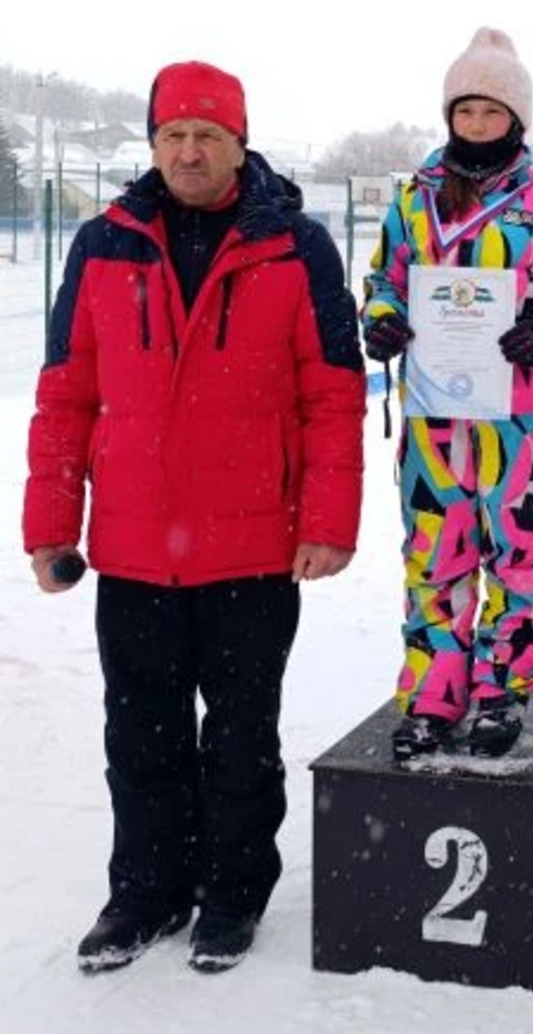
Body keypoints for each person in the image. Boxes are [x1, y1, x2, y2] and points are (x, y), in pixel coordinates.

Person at [23, 60, 366, 974]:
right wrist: (52, 524)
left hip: (252, 545)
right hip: (133, 546)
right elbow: (65, 394)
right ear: (153, 144)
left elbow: (333, 394)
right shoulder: (103, 244)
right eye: (172, 134)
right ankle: (145, 891)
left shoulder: (297, 247)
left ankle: (232, 888)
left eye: (206, 135)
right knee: (139, 732)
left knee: (242, 733)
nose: (188, 151)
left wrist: (327, 521)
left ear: (239, 144)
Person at [361, 27, 533, 762]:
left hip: (515, 422)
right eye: (464, 112)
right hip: (433, 422)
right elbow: (385, 280)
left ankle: (504, 686)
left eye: (491, 113)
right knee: (433, 556)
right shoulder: (413, 202)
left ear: (517, 120)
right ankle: (434, 695)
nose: (476, 126)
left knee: (517, 553)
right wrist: (382, 323)